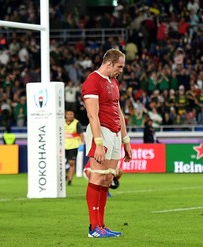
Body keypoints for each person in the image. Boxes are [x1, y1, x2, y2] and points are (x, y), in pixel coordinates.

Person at [81, 48, 132, 238]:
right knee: (97, 176)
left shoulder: (114, 82)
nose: (121, 70)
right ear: (109, 63)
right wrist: (99, 142)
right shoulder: (92, 81)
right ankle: (93, 228)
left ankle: (101, 225)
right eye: (119, 66)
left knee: (108, 178)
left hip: (116, 132)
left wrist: (126, 140)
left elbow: (119, 112)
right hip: (101, 131)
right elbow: (92, 115)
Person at [64, 109, 85, 186]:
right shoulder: (61, 122)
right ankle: (63, 176)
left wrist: (81, 144)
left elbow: (81, 134)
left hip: (73, 145)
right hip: (62, 146)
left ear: (73, 115)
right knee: (60, 163)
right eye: (68, 114)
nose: (69, 116)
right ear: (65, 115)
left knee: (71, 163)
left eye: (71, 114)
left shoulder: (76, 123)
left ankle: (70, 180)